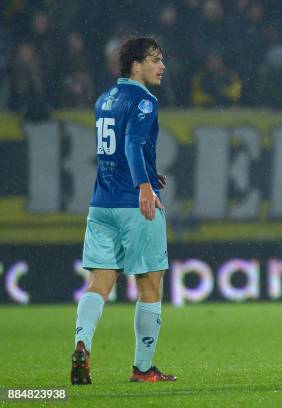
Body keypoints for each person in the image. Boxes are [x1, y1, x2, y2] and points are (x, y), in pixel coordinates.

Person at [70, 37, 176, 384]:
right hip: (136, 205)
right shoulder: (144, 101)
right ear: (136, 64)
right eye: (155, 60)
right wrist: (145, 186)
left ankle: (82, 343)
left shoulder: (104, 99)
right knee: (150, 283)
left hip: (101, 203)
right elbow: (131, 142)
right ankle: (143, 369)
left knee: (99, 281)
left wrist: (146, 171)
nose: (161, 66)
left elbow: (113, 152)